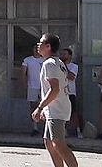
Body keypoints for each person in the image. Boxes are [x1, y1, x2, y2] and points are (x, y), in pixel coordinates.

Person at [34, 34, 81, 167]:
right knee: (49, 142)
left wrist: (40, 107)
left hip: (58, 110)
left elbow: (54, 89)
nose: (38, 45)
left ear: (48, 46)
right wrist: (46, 108)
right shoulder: (57, 62)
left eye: (41, 43)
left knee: (58, 143)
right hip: (54, 108)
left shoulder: (50, 64)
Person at [25, 46, 50, 137]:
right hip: (32, 87)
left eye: (37, 48)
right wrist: (25, 85)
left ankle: (47, 128)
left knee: (46, 106)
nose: (36, 50)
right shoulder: (28, 60)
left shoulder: (45, 60)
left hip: (44, 87)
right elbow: (24, 73)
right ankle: (35, 127)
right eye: (34, 48)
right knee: (33, 106)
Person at [61, 48, 83, 137]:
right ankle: (63, 130)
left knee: (73, 112)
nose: (63, 56)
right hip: (61, 92)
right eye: (62, 54)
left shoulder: (74, 66)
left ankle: (78, 130)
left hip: (71, 92)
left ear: (70, 56)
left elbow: (71, 77)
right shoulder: (58, 66)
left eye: (65, 54)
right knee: (62, 112)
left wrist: (64, 66)